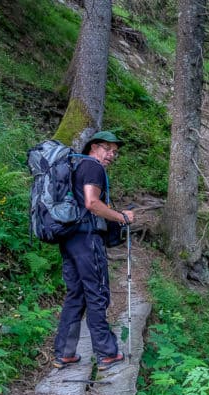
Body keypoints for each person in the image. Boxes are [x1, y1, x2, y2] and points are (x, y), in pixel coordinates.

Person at [52, 131, 135, 371]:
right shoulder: (93, 167)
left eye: (115, 152)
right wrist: (122, 218)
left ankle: (64, 353)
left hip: (70, 238)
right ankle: (107, 352)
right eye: (107, 149)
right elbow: (92, 203)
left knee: (75, 294)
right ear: (94, 147)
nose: (111, 155)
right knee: (97, 292)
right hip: (87, 238)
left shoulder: (77, 166)